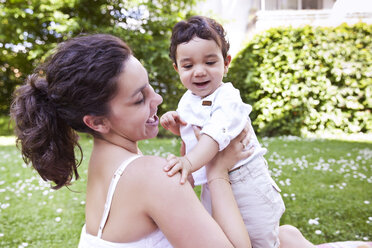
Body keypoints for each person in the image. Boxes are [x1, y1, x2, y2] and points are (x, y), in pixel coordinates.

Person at [10, 33, 254, 248]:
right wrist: (217, 170)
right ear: (97, 122)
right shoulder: (151, 176)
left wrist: (187, 147)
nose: (157, 98)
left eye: (149, 86)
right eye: (139, 99)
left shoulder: (104, 165)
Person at [160, 15, 285, 248]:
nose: (199, 72)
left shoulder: (228, 97)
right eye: (188, 65)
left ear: (226, 63)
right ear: (177, 68)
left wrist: (188, 162)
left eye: (210, 62)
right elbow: (194, 139)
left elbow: (214, 136)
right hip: (213, 179)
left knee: (259, 237)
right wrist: (181, 130)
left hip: (246, 180)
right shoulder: (188, 101)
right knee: (221, 233)